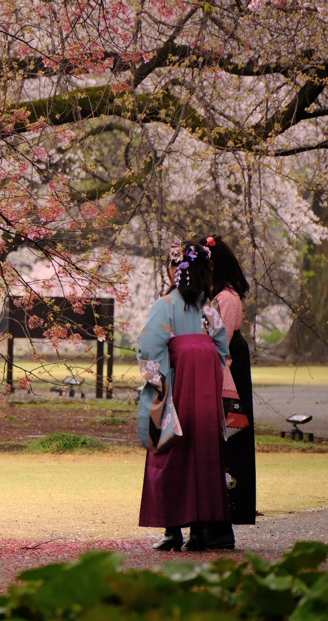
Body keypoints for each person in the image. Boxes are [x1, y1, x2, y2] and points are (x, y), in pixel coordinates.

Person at [137, 240, 230, 552]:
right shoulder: (209, 309)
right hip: (204, 394)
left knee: (172, 454)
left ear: (174, 269)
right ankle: (200, 531)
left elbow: (148, 349)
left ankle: (173, 529)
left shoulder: (166, 305)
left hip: (176, 389)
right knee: (204, 455)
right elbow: (221, 351)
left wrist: (159, 385)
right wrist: (205, 370)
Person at [203, 235, 257, 550]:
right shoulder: (218, 296)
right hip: (224, 374)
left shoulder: (226, 298)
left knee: (226, 452)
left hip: (226, 380)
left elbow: (216, 343)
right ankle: (212, 525)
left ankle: (222, 528)